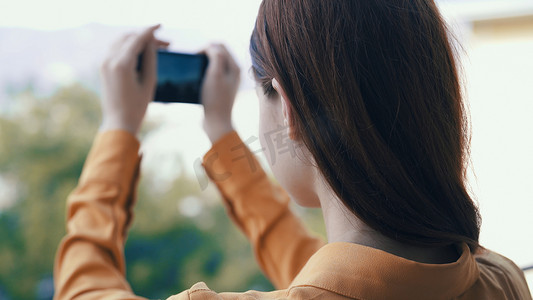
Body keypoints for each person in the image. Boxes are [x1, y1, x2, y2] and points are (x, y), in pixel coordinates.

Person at [53, 1, 532, 299]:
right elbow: (340, 278)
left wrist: (119, 127)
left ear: (287, 110)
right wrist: (221, 133)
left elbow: (83, 287)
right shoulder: (501, 280)